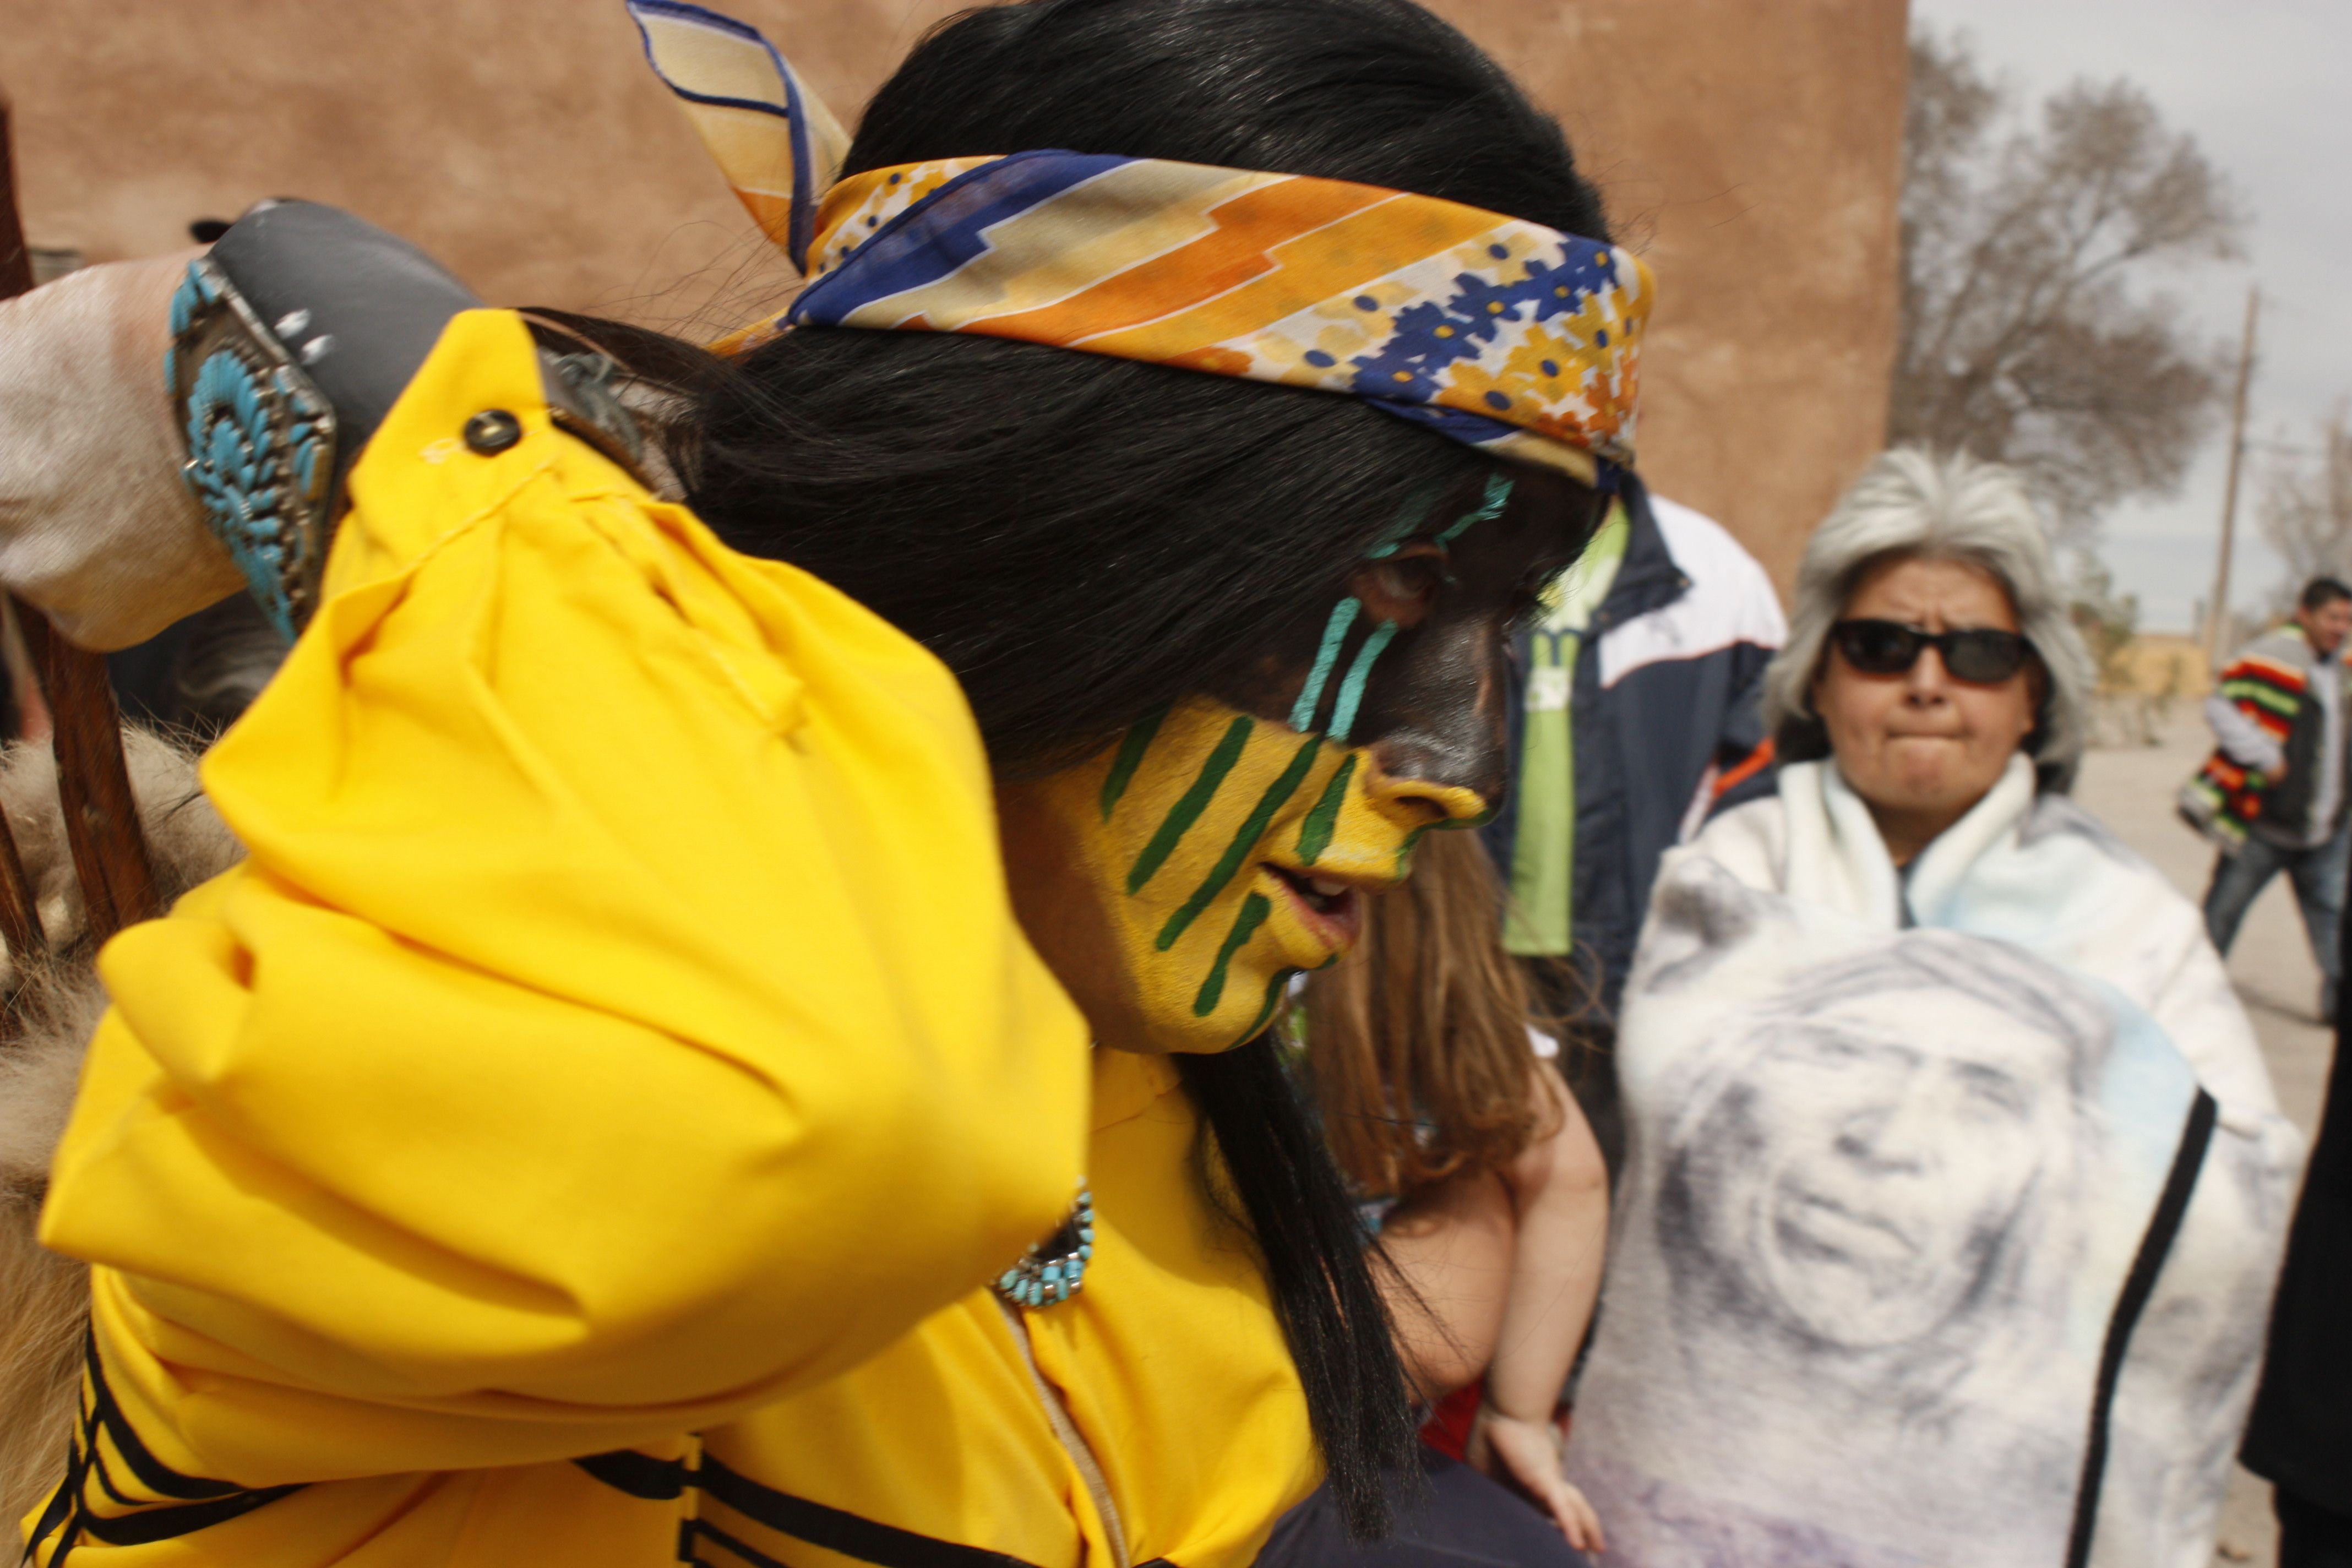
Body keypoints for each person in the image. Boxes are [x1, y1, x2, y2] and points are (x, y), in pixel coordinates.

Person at [0, 1, 1648, 1562]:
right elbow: (797, 1131)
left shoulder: (1152, 1116)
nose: (1455, 769)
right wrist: (330, 386)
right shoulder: (391, 1082)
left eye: (1508, 615)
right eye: (1400, 582)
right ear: (1041, 505)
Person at [1561, 449, 2302, 1568]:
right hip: (1685, 1508)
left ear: (2033, 692)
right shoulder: (1727, 876)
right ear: (1818, 678)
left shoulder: (2128, 921)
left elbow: (2234, 1187)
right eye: (1880, 645)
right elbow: (1649, 1129)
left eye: (1978, 653)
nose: (1926, 681)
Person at [1260, 829, 1609, 1566]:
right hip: (1364, 1443)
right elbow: (1573, 1179)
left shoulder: (1241, 1011)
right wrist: (1521, 1412)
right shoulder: (1469, 1043)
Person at [1478, 482, 1782, 1166]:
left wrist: (1690, 921)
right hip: (1470, 969)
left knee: (1617, 1187)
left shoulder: (1716, 575)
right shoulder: (1453, 540)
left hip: (1641, 975)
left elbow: (1761, 771)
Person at [2181, 576, 2352, 1018]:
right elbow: (2220, 705)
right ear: (2305, 615)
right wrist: (2262, 754)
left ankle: (2339, 1011)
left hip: (2327, 829)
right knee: (2222, 912)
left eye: (2347, 620)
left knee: (2334, 922)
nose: (2340, 628)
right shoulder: (2270, 656)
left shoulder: (2344, 670)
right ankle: (2187, 998)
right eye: (2332, 617)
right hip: (2265, 823)